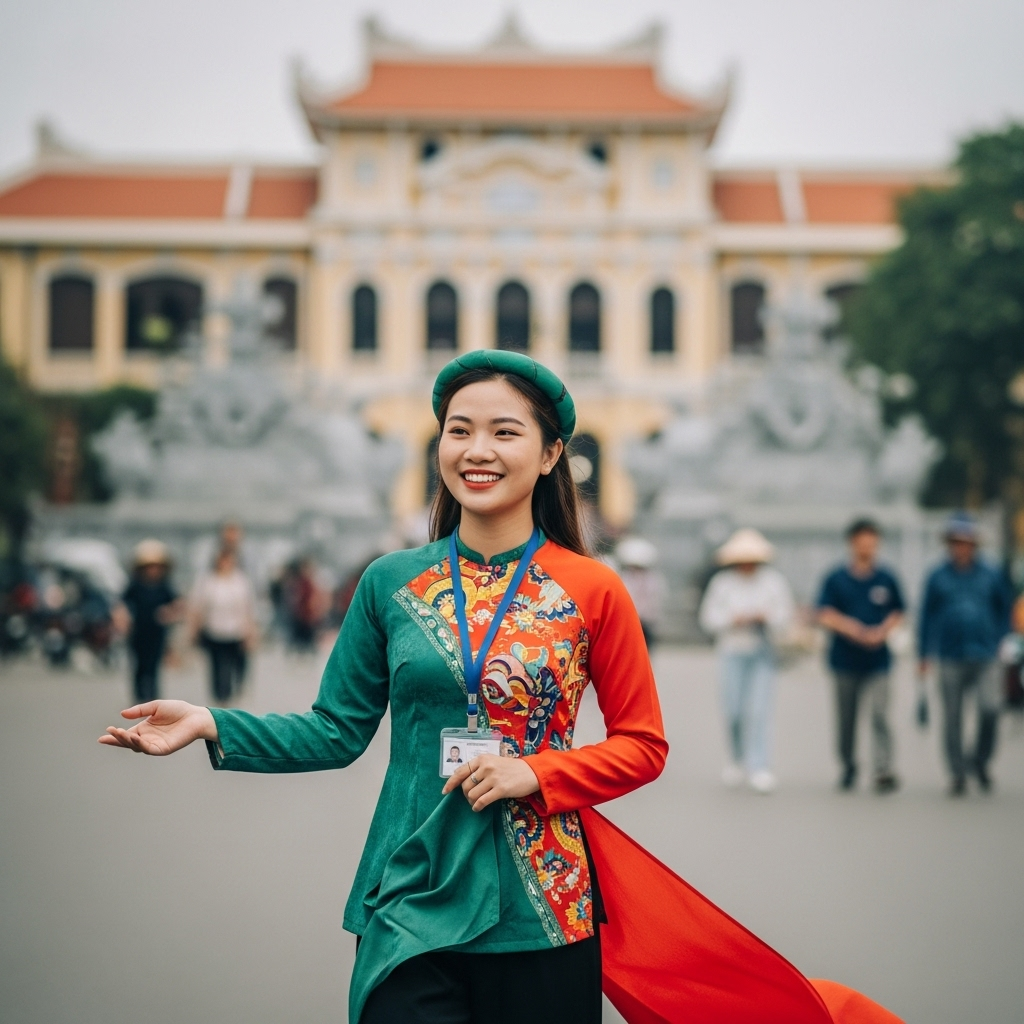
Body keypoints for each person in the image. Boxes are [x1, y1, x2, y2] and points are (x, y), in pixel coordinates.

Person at [99, 352, 901, 1024]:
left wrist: (539, 773)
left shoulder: (593, 589)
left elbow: (644, 745)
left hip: (545, 907)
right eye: (459, 431)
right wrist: (210, 722)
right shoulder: (390, 582)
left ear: (551, 454)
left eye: (504, 432)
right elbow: (336, 729)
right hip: (410, 889)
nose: (476, 449)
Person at [919, 512, 1012, 796]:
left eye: (966, 541)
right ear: (949, 543)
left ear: (974, 544)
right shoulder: (937, 576)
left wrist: (1002, 640)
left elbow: (1004, 608)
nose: (961, 546)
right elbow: (927, 616)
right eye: (956, 541)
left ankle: (980, 761)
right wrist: (924, 654)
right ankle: (957, 772)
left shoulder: (991, 574)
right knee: (953, 717)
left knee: (990, 709)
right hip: (950, 655)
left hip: (986, 654)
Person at [699, 528, 794, 794]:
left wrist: (765, 617)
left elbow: (784, 615)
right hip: (732, 653)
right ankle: (736, 758)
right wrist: (732, 619)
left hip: (763, 654)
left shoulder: (773, 582)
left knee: (760, 711)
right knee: (734, 710)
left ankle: (759, 765)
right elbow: (708, 618)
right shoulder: (723, 583)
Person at [817, 519, 905, 794]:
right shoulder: (836, 579)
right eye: (862, 540)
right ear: (852, 543)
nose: (868, 546)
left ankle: (883, 767)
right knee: (847, 718)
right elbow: (824, 613)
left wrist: (881, 632)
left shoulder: (886, 578)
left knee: (880, 713)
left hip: (878, 660)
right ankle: (848, 765)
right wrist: (852, 629)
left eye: (872, 541)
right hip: (845, 660)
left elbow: (898, 610)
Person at [116, 540, 182, 704]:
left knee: (154, 666)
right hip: (138, 631)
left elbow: (178, 604)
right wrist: (123, 619)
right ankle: (139, 697)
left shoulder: (164, 586)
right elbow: (121, 603)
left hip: (157, 632)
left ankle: (153, 698)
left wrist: (168, 613)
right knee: (139, 665)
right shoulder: (135, 585)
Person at [188, 548, 257, 704]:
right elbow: (198, 606)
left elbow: (248, 608)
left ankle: (234, 690)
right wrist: (194, 629)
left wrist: (250, 632)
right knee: (216, 665)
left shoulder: (241, 581)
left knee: (235, 663)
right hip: (214, 630)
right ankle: (220, 695)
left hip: (236, 630)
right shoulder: (208, 581)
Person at [614, 536, 665, 649]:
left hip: (646, 621)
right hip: (628, 621)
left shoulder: (654, 580)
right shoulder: (623, 577)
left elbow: (656, 600)